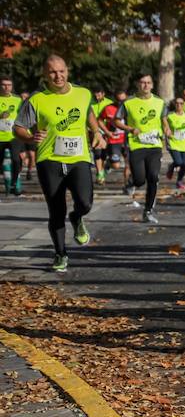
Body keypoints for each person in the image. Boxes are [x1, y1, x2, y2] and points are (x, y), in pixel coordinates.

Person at [12, 55, 105, 272]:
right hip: (49, 160)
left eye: (61, 71)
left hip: (78, 158)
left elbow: (88, 113)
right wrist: (30, 137)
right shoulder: (36, 99)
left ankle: (77, 217)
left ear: (67, 71)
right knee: (56, 210)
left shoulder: (83, 93)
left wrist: (97, 131)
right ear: (45, 74)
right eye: (52, 72)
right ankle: (60, 253)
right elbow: (17, 127)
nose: (58, 76)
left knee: (85, 202)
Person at [116, 73, 166, 224]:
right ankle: (131, 183)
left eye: (148, 82)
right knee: (139, 180)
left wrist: (167, 129)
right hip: (136, 145)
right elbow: (116, 121)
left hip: (154, 145)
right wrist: (130, 129)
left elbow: (163, 119)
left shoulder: (159, 102)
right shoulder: (128, 102)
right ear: (138, 84)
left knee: (153, 177)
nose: (146, 85)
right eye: (143, 82)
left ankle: (148, 210)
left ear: (152, 85)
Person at [164, 96, 185, 191]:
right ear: (174, 105)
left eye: (181, 103)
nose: (179, 105)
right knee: (178, 162)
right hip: (173, 142)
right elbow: (164, 124)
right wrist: (167, 130)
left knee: (184, 164)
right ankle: (172, 167)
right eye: (177, 103)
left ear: (184, 105)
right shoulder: (169, 116)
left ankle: (179, 181)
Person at [0, 76, 22, 196]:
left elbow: (23, 116)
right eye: (4, 85)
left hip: (14, 136)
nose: (6, 87)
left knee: (16, 159)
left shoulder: (17, 100)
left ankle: (14, 183)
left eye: (9, 85)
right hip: (0, 137)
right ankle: (6, 181)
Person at [90, 87, 113, 185]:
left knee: (105, 154)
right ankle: (100, 173)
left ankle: (104, 169)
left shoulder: (109, 103)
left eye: (99, 95)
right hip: (94, 131)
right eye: (95, 95)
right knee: (97, 152)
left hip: (107, 131)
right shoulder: (90, 103)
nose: (97, 97)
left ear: (103, 94)